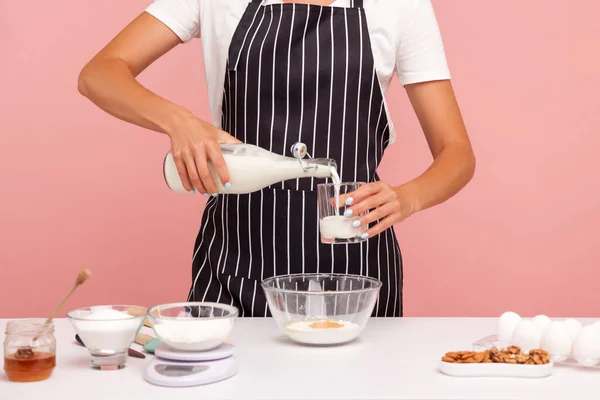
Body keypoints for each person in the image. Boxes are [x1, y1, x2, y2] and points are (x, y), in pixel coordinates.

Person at [77, 0, 475, 318]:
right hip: (237, 266)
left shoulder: (400, 6)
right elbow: (99, 73)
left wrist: (409, 198)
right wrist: (180, 122)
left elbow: (456, 152)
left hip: (357, 279)